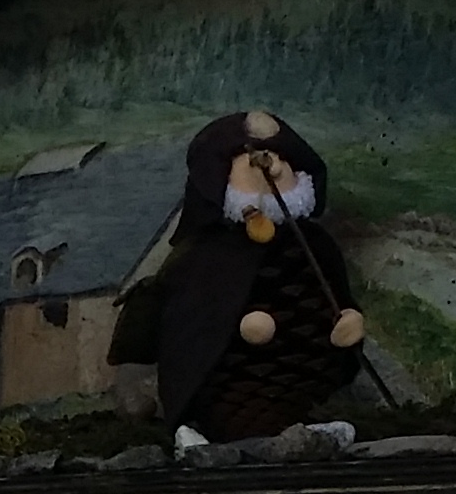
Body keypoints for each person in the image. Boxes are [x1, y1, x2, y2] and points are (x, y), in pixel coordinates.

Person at [137, 110, 369, 442]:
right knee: (241, 419)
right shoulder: (206, 255)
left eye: (281, 159)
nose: (273, 168)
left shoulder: (314, 245)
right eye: (255, 162)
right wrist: (241, 327)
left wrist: (347, 322)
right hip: (233, 396)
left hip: (303, 387)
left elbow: (334, 293)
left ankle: (298, 430)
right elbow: (188, 325)